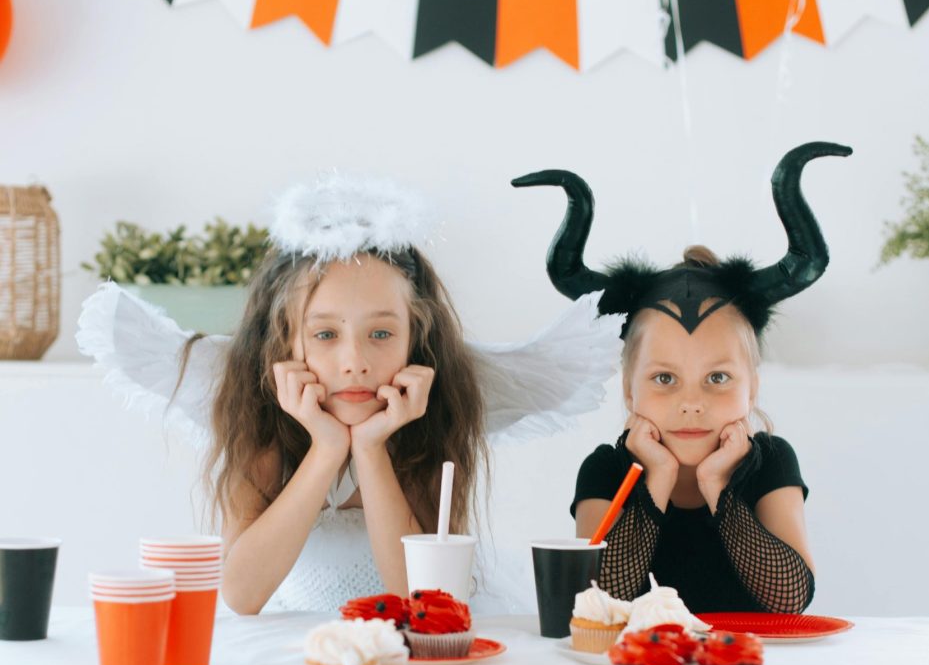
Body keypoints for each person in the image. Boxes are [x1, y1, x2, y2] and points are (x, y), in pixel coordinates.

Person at [77, 171, 623, 614]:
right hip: (304, 643)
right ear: (286, 342)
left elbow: (423, 600)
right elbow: (242, 596)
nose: (355, 362)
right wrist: (327, 449)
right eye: (325, 335)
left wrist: (370, 449)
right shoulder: (264, 429)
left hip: (415, 648)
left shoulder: (435, 422)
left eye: (381, 334)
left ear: (417, 340)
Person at [512, 142, 852, 613]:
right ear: (630, 389)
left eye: (717, 378)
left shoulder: (769, 462)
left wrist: (717, 484)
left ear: (752, 386)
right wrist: (658, 477)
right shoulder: (607, 471)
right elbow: (598, 600)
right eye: (665, 379)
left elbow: (790, 598)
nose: (691, 402)